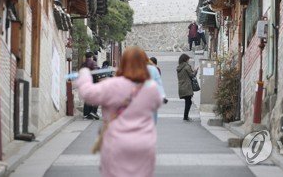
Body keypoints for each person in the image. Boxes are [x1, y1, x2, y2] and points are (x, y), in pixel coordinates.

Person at [75, 47, 162, 177]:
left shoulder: (113, 85)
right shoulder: (151, 88)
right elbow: (158, 102)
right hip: (144, 143)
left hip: (117, 143)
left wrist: (84, 74)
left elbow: (87, 94)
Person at [177, 53, 197, 121]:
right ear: (185, 60)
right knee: (188, 102)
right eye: (188, 59)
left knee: (188, 101)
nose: (189, 61)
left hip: (181, 86)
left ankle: (186, 116)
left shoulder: (179, 67)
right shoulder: (186, 66)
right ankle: (185, 117)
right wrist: (196, 71)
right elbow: (192, 75)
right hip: (187, 87)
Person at [81, 52, 100, 120]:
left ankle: (86, 114)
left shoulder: (83, 64)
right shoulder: (93, 62)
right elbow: (95, 73)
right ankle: (93, 112)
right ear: (91, 56)